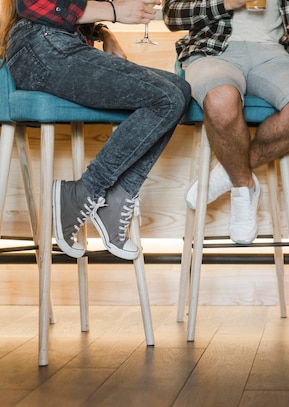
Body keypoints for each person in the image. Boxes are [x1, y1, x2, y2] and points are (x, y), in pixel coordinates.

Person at [0, 0, 192, 260]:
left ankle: (117, 198)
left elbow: (71, 9)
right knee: (166, 99)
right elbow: (32, 4)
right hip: (40, 46)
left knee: (179, 91)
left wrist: (103, 33)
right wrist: (114, 12)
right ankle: (83, 191)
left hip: (62, 44)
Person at [163, 0, 289, 244]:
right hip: (214, 51)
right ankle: (243, 186)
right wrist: (226, 3)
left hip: (275, 53)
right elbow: (172, 15)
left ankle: (229, 171)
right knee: (220, 99)